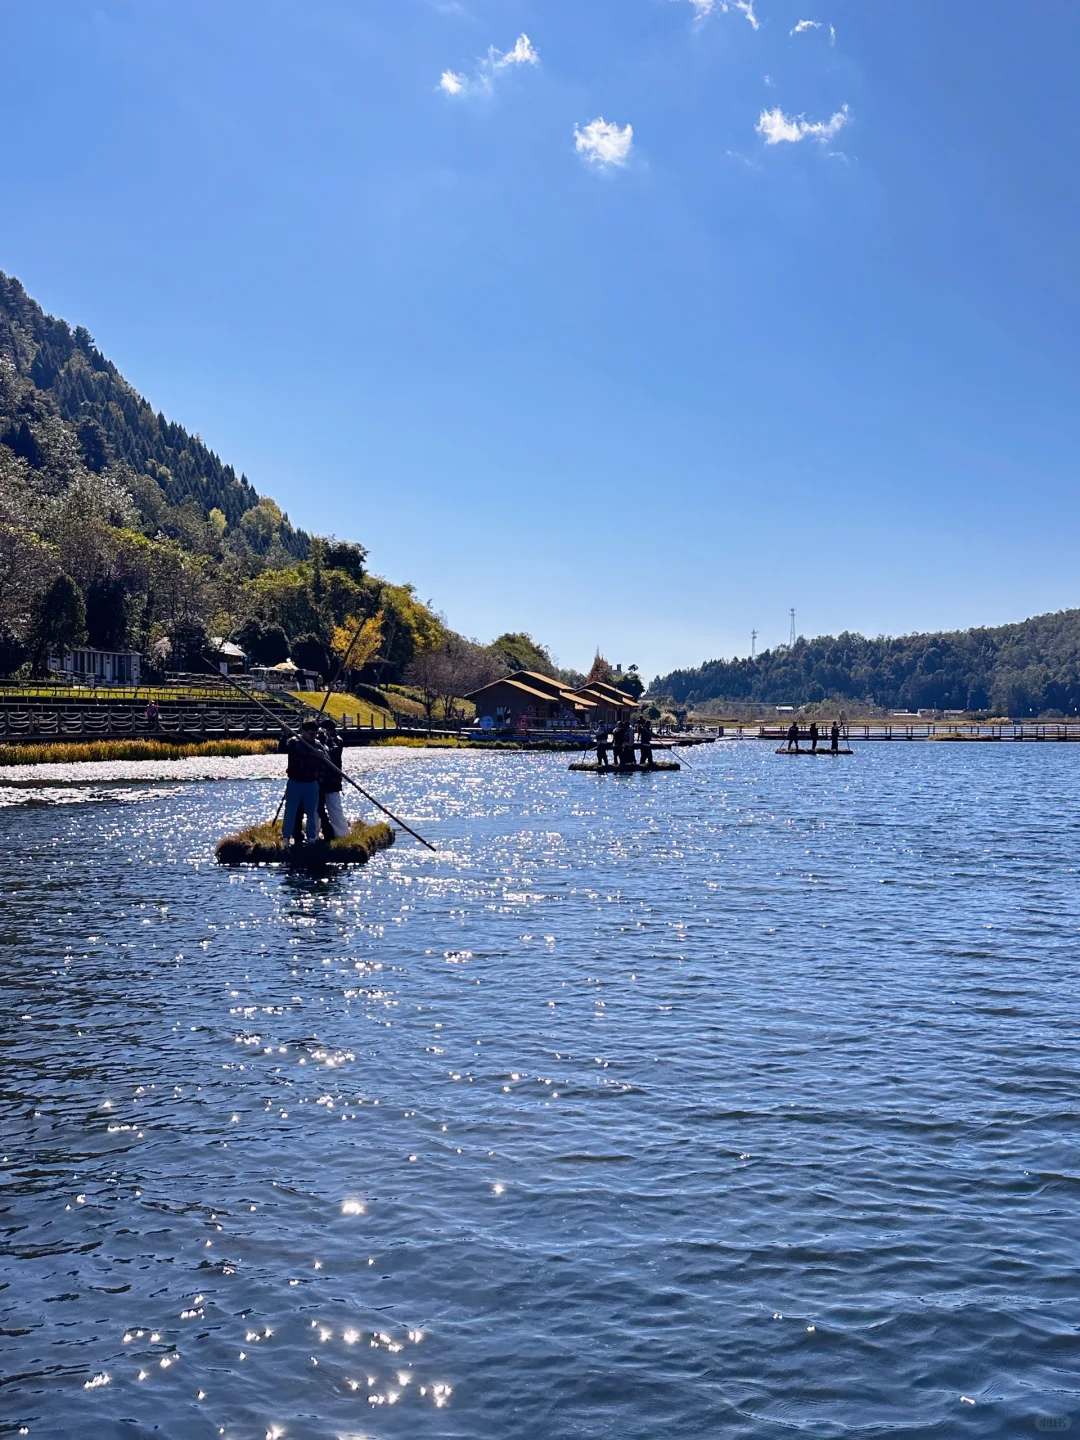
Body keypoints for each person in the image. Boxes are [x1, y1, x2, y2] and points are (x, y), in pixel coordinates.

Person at [282, 717, 325, 846]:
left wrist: (321, 754)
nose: (313, 736)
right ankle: (286, 837)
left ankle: (311, 837)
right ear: (303, 732)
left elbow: (326, 758)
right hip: (295, 783)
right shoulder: (294, 742)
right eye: (311, 734)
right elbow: (282, 748)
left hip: (311, 783)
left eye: (315, 734)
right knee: (291, 810)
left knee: (312, 811)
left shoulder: (317, 745)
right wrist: (284, 735)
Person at [317, 717, 350, 839]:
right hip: (318, 780)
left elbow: (332, 751)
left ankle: (342, 835)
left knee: (334, 809)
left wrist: (325, 740)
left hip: (332, 781)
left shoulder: (337, 740)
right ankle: (314, 835)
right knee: (315, 810)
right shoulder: (317, 740)